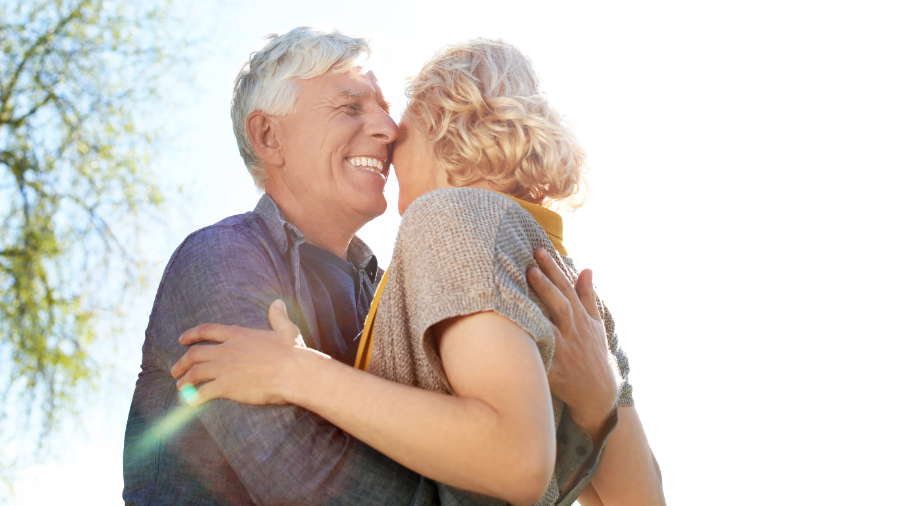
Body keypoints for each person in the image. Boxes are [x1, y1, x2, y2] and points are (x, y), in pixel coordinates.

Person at [123, 28, 633, 506]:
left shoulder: (390, 293)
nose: (389, 128)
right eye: (350, 107)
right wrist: (588, 422)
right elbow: (316, 486)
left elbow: (493, 460)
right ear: (269, 136)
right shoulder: (221, 261)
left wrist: (596, 408)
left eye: (386, 109)